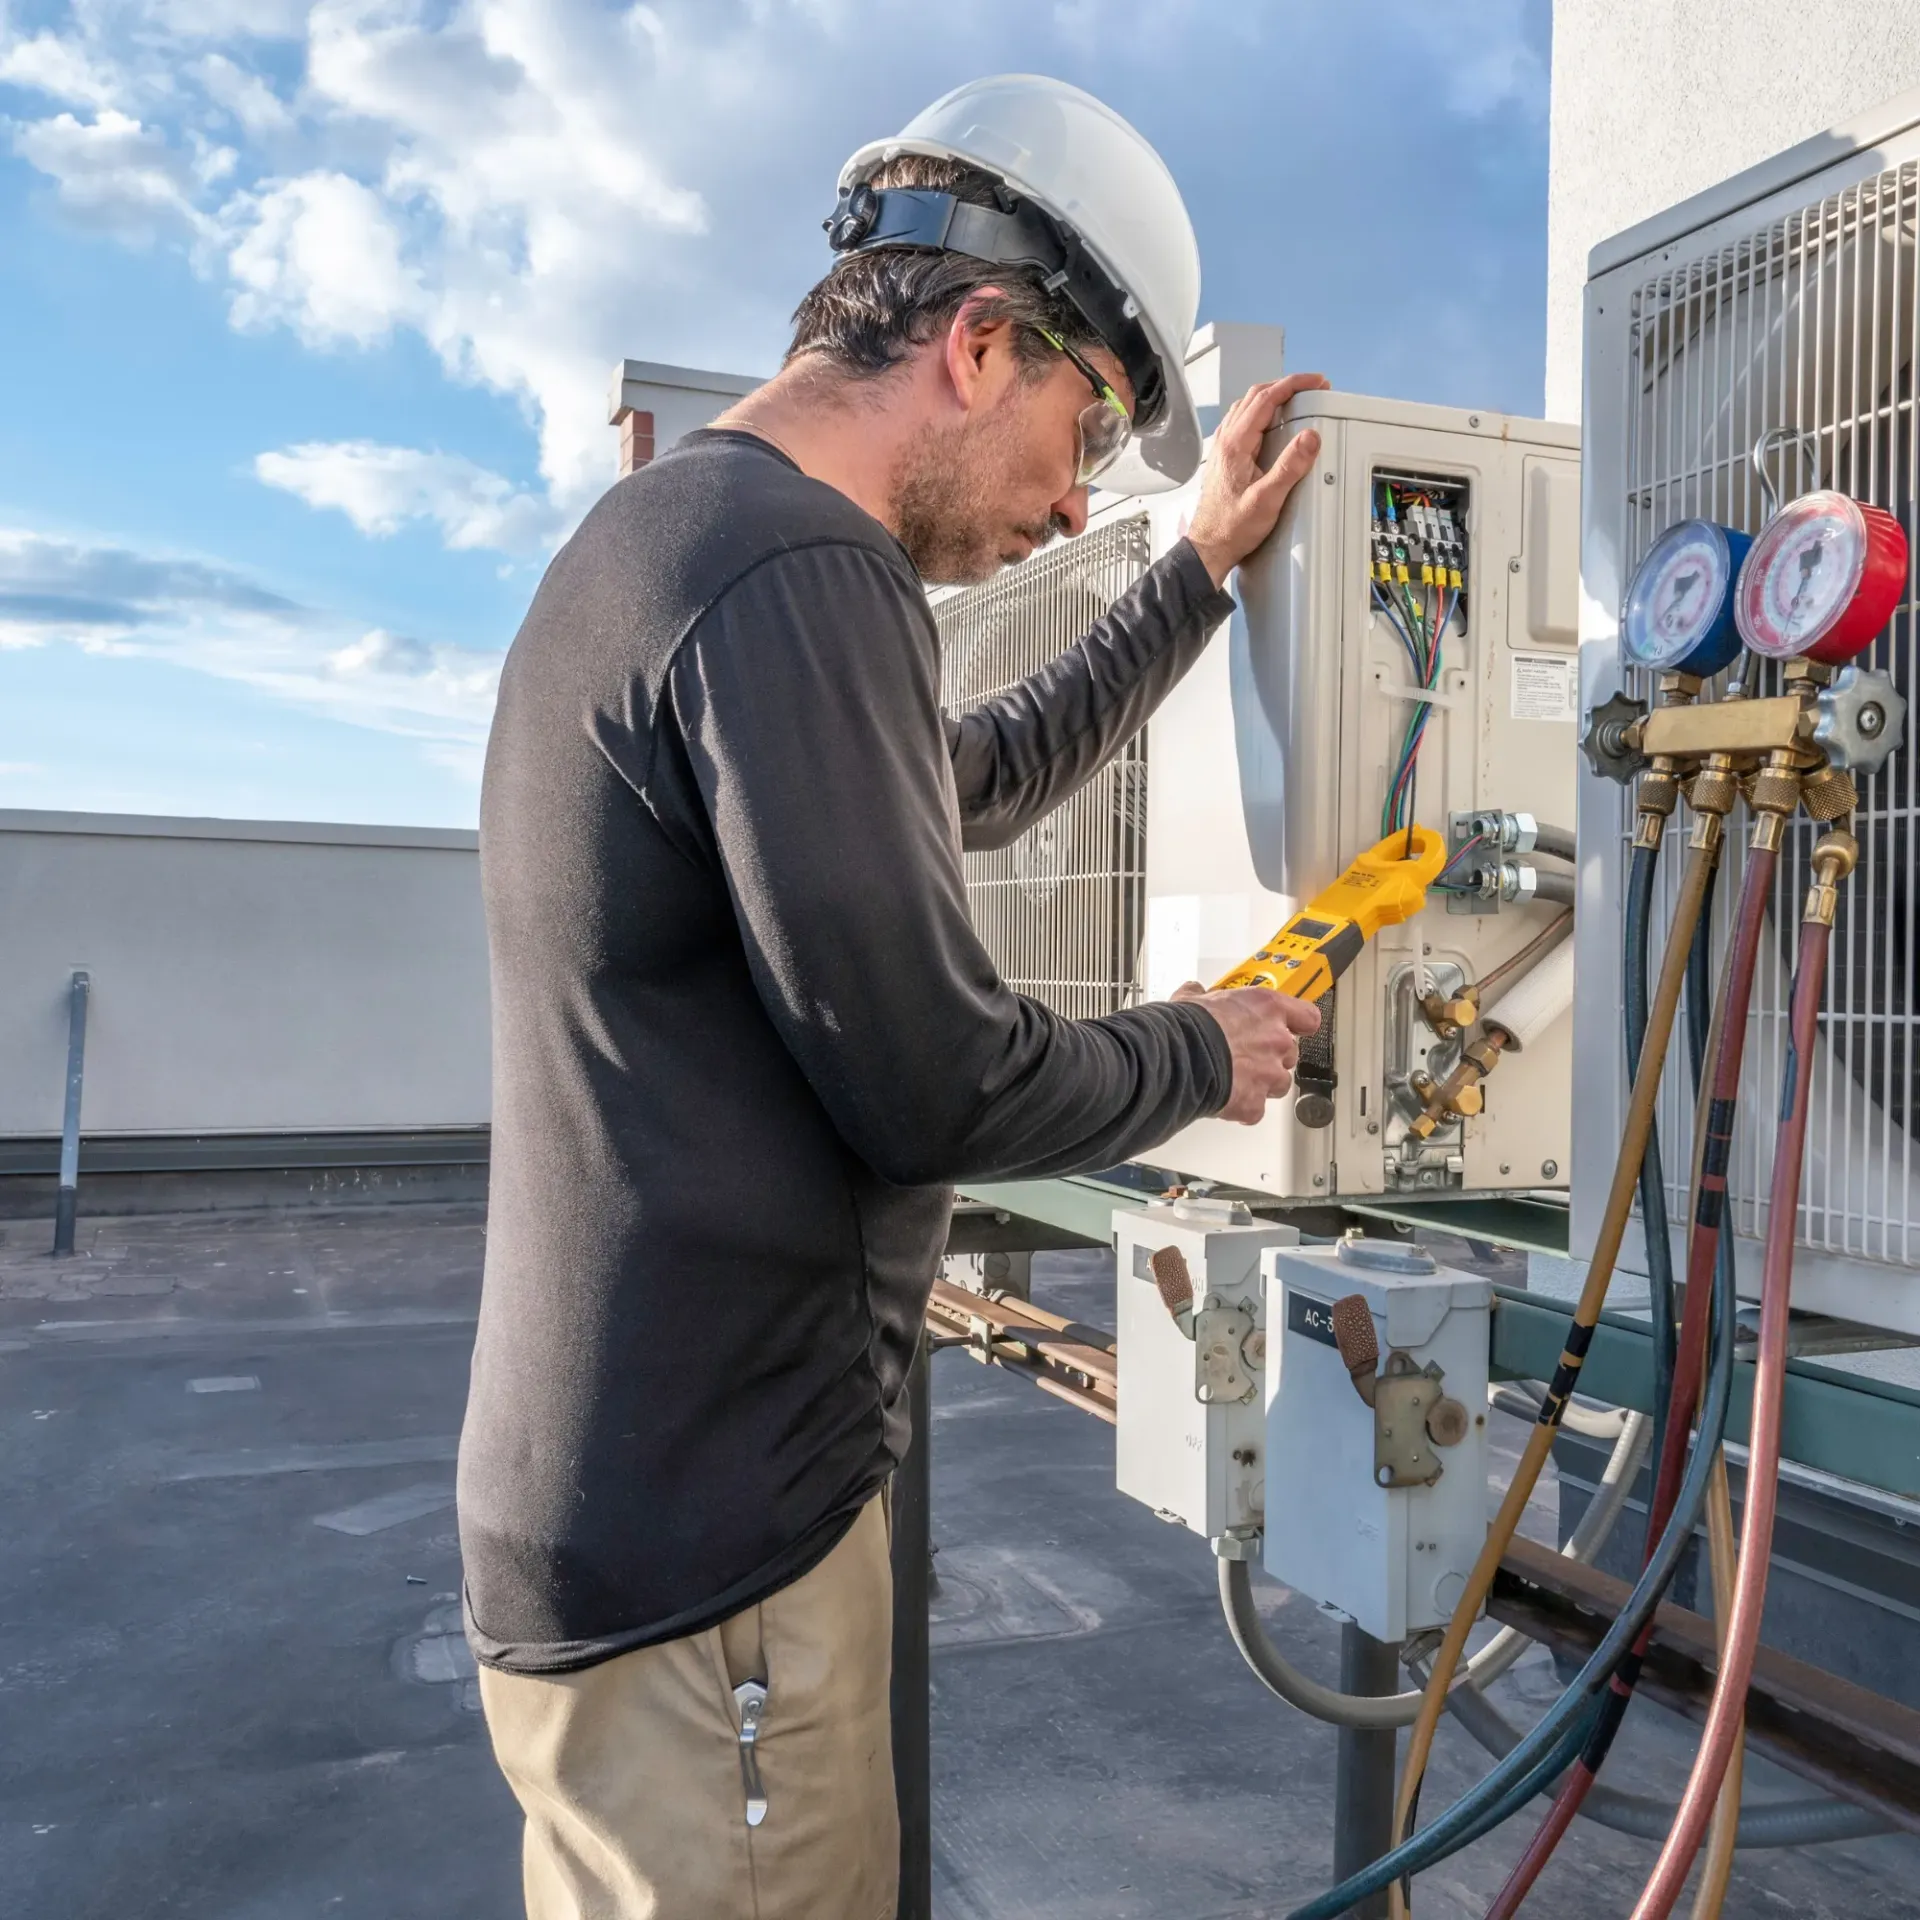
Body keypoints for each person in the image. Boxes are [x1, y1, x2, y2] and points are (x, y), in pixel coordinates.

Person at [459, 72, 1327, 1920]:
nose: (1076, 492)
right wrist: (1208, 1048)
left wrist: (1192, 581)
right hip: (719, 1578)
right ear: (981, 342)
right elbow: (930, 1081)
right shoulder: (795, 570)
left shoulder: (687, 547)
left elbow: (973, 767)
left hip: (636, 1530)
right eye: (1084, 422)